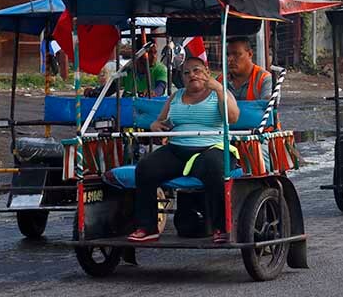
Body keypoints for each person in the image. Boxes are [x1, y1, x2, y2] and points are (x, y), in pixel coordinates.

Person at [128, 56, 239, 243]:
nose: (192, 75)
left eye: (196, 70)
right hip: (177, 148)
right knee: (146, 167)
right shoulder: (176, 95)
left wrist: (219, 89)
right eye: (186, 73)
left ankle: (221, 227)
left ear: (206, 71)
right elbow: (161, 120)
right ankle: (148, 227)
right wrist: (156, 125)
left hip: (211, 148)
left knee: (215, 168)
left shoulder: (220, 92)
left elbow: (233, 117)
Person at [83, 45, 168, 98]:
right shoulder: (128, 69)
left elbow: (161, 87)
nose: (154, 56)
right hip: (129, 108)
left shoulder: (160, 69)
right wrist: (95, 92)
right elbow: (112, 88)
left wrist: (154, 93)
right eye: (150, 53)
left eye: (155, 53)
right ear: (138, 54)